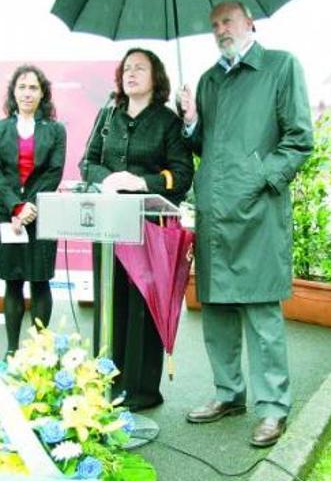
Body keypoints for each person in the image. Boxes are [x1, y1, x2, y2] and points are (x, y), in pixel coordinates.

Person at [177, 0, 313, 447]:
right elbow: (205, 146)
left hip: (257, 213)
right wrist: (192, 120)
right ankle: (228, 393)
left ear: (249, 23)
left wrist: (261, 179)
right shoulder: (208, 80)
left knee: (261, 314)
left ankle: (273, 408)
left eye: (228, 21)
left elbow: (298, 139)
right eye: (214, 24)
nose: (220, 29)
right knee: (216, 313)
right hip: (215, 213)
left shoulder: (280, 66)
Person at [79, 47, 193, 412]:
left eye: (140, 68)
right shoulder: (107, 115)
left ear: (155, 77)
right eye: (127, 68)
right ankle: (105, 380)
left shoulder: (168, 122)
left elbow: (182, 174)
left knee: (142, 306)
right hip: (108, 224)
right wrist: (108, 178)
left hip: (148, 228)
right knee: (110, 303)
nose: (131, 74)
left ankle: (141, 389)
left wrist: (142, 182)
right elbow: (87, 163)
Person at [0, 65, 66, 357]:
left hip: (42, 215)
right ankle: (11, 350)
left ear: (42, 92)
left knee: (40, 280)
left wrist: (30, 206)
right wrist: (16, 206)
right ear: (13, 92)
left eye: (33, 87)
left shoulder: (56, 130)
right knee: (13, 281)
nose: (27, 93)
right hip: (7, 216)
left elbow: (53, 172)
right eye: (22, 87)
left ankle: (41, 350)